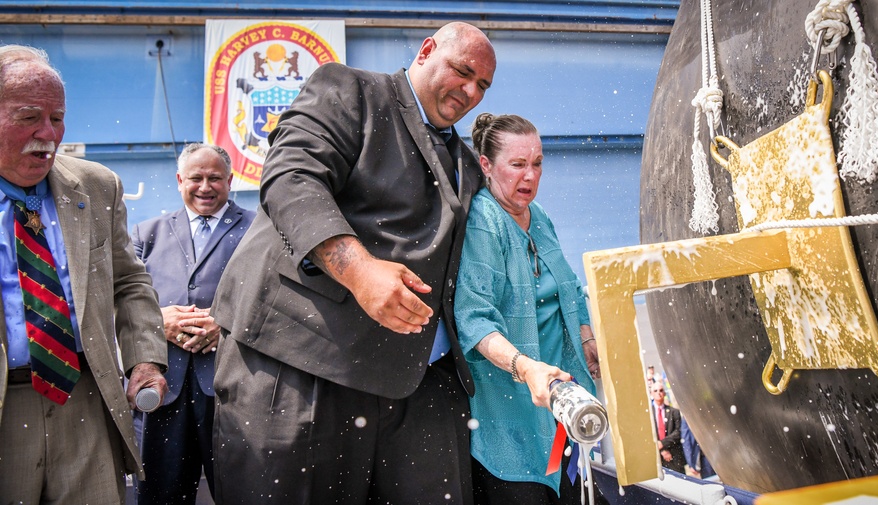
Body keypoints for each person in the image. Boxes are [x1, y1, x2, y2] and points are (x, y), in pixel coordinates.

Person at [210, 22, 496, 503]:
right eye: (463, 72)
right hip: (301, 366)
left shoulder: (467, 163)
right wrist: (359, 271)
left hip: (417, 385)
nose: (470, 91)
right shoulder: (350, 90)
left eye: (482, 86)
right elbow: (291, 176)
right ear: (426, 51)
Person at [0, 44, 168, 503]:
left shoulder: (96, 186)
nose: (47, 133)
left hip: (86, 399)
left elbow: (130, 282)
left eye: (57, 118)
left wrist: (145, 358)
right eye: (29, 116)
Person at [454, 113, 601, 504]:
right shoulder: (485, 221)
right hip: (510, 418)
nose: (530, 176)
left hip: (558, 412)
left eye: (537, 164)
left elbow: (569, 289)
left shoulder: (541, 218)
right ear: (486, 165)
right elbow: (473, 319)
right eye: (517, 165)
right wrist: (526, 367)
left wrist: (586, 339)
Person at [131, 143, 254, 504]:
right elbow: (120, 301)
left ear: (230, 181)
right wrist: (158, 322)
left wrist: (225, 324)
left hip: (232, 387)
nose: (205, 187)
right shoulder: (145, 234)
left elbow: (274, 299)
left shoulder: (258, 230)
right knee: (161, 493)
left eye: (214, 178)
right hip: (163, 387)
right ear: (179, 179)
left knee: (242, 491)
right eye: (195, 178)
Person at [650, 380, 686, 473]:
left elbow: (678, 432)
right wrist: (662, 450)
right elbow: (647, 434)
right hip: (656, 460)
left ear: (664, 393)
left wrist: (662, 444)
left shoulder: (674, 412)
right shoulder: (648, 414)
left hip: (674, 458)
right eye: (655, 391)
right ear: (651, 393)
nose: (659, 393)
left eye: (661, 390)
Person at [681, 415, 716, 479]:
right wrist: (691, 463)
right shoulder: (689, 414)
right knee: (710, 483)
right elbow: (686, 440)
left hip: (719, 454)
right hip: (705, 457)